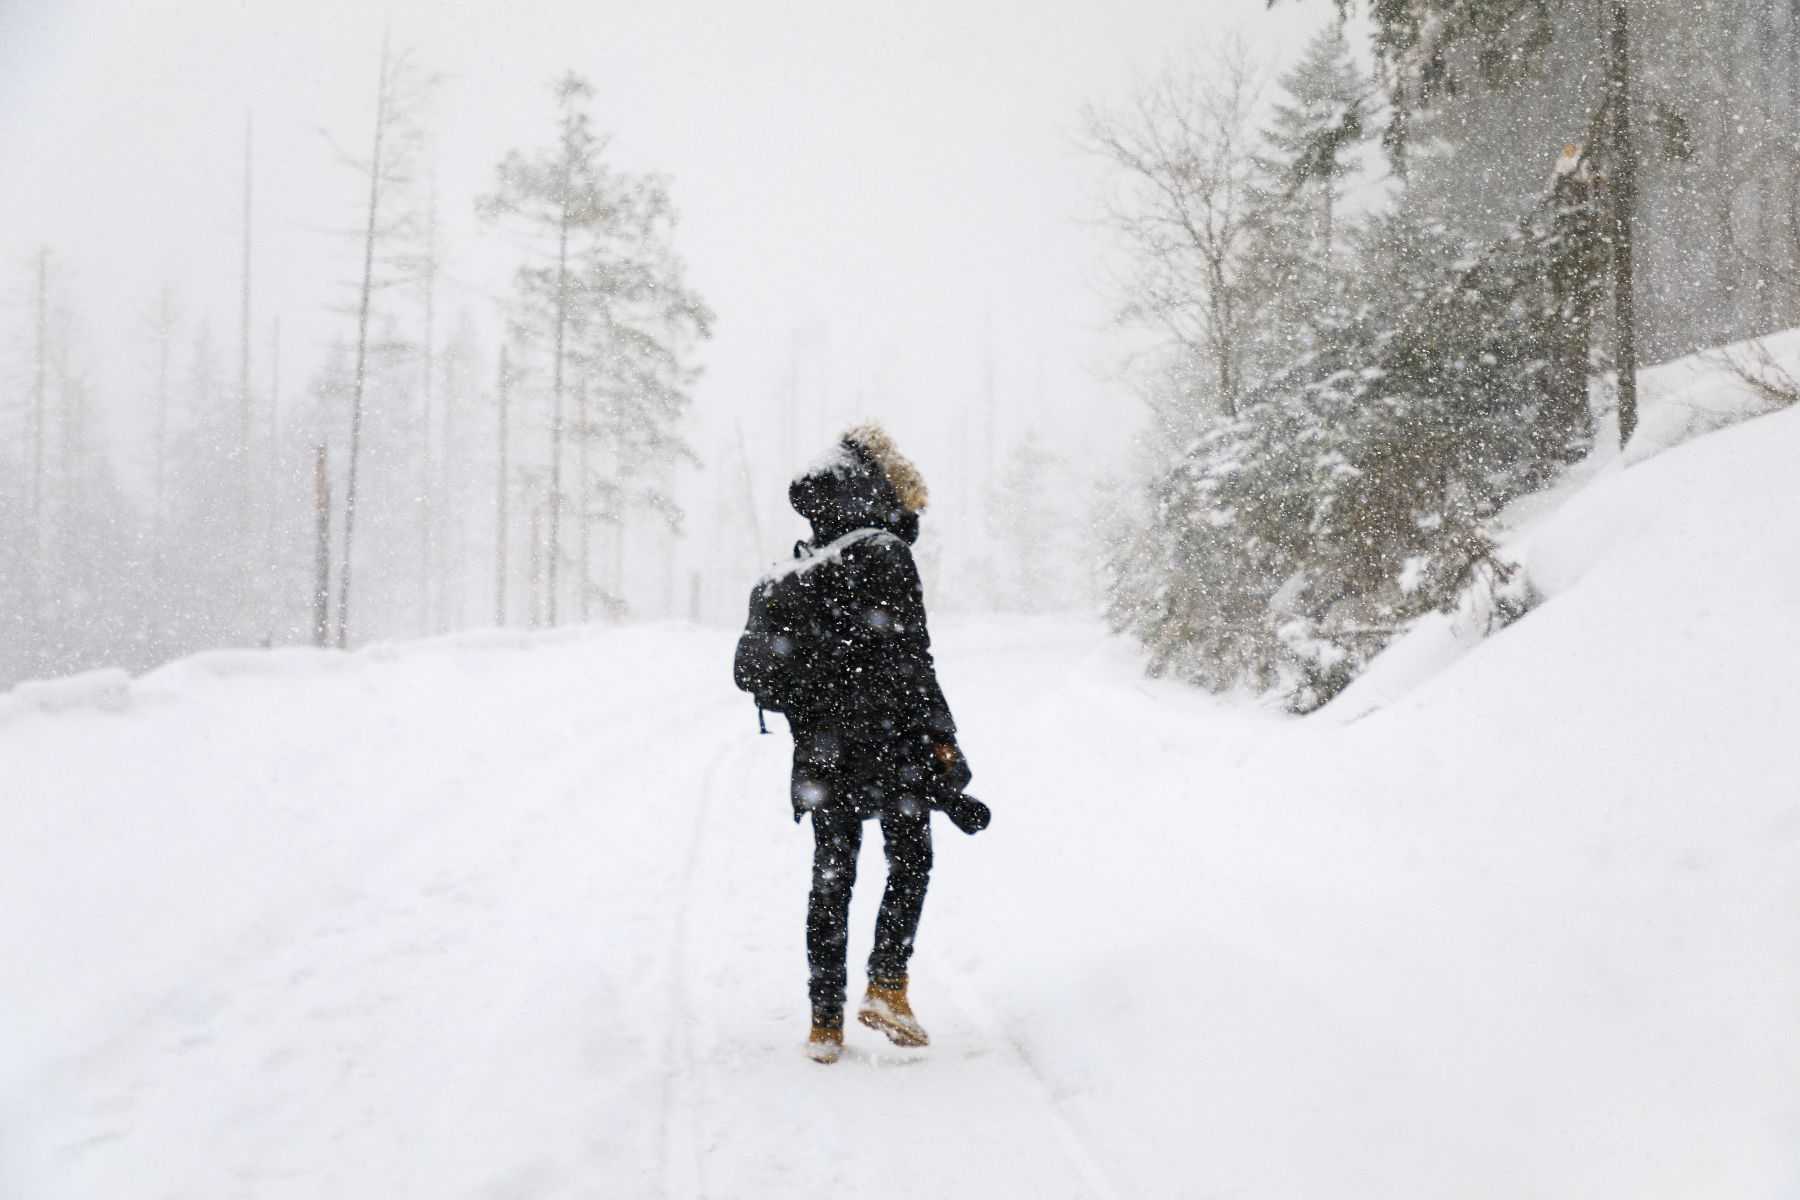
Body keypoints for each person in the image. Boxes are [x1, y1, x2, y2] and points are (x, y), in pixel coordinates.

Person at [734, 423, 972, 1064]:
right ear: (886, 492)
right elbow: (912, 655)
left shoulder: (805, 561)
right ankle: (887, 986)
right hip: (889, 739)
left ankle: (823, 1025)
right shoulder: (886, 552)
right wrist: (943, 740)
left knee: (831, 873)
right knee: (912, 857)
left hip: (823, 747)